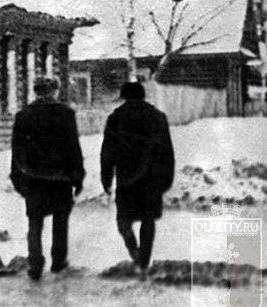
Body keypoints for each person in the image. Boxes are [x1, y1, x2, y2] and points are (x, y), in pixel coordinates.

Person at [10, 77, 85, 280]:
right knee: (60, 222)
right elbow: (73, 148)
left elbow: (17, 151)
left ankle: (35, 264)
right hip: (60, 179)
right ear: (54, 91)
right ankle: (58, 262)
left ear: (36, 92)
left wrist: (17, 177)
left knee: (35, 222)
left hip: (33, 179)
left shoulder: (23, 115)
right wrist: (77, 177)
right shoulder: (65, 114)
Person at [101, 82, 175, 272]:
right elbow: (167, 151)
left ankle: (134, 250)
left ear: (124, 96)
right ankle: (143, 261)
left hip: (126, 178)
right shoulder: (158, 117)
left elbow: (107, 152)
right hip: (152, 177)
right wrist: (166, 178)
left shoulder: (116, 118)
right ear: (143, 95)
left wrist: (106, 179)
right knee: (147, 219)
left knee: (123, 221)